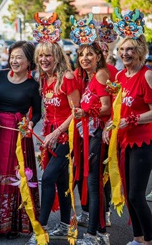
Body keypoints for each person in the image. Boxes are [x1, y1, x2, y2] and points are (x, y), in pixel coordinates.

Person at [26, 13, 80, 244]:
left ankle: (42, 228)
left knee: (47, 179)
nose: (44, 59)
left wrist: (57, 133)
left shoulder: (67, 77)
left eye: (48, 55)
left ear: (57, 56)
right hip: (51, 136)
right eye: (40, 56)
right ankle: (67, 226)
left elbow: (77, 112)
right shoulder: (44, 79)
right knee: (58, 180)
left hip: (67, 136)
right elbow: (47, 111)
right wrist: (44, 133)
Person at [103, 10, 152, 245]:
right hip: (123, 141)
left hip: (143, 141)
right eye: (122, 49)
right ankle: (138, 237)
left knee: (135, 194)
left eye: (130, 49)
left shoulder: (147, 75)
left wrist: (132, 120)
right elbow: (118, 108)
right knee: (128, 193)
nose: (125, 53)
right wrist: (109, 126)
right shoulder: (121, 76)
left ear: (140, 50)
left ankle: (150, 238)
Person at [0, 40, 41, 239]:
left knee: (15, 175)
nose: (14, 61)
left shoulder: (32, 85)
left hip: (19, 133)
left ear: (29, 61)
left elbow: (37, 113)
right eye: (12, 57)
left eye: (19, 57)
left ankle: (13, 223)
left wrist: (30, 123)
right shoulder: (0, 76)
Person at [71, 14, 111, 245]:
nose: (84, 57)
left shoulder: (101, 74)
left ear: (98, 57)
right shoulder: (87, 79)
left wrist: (85, 113)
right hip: (87, 137)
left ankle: (94, 234)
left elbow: (106, 108)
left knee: (94, 185)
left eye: (89, 54)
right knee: (91, 182)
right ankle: (99, 232)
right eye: (81, 54)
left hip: (97, 138)